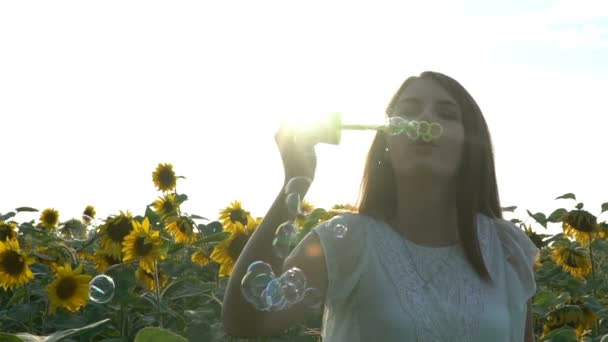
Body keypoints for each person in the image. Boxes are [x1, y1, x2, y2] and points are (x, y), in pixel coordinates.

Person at [222, 71, 540, 342]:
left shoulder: (507, 248)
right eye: (410, 110)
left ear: (470, 146)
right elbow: (248, 319)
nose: (425, 119)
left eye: (446, 114)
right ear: (386, 145)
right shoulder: (345, 241)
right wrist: (296, 180)